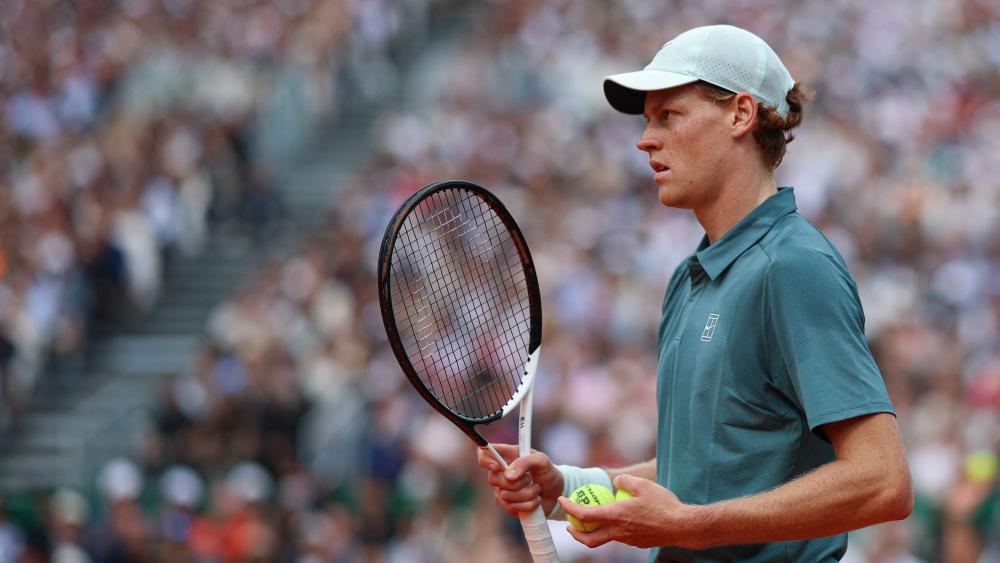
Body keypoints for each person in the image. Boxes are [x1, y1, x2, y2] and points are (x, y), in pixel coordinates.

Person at [477, 24, 913, 562]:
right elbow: (710, 467)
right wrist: (568, 484)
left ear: (741, 115)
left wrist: (691, 526)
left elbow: (883, 481)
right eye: (646, 121)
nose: (645, 140)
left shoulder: (794, 266)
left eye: (669, 116)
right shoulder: (689, 276)